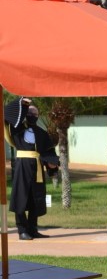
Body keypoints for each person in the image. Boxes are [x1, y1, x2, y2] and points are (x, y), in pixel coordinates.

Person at [3, 97, 59, 240]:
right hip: (22, 166)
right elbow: (7, 113)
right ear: (25, 114)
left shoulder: (42, 133)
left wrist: (52, 165)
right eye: (29, 113)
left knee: (36, 197)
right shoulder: (16, 129)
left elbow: (49, 151)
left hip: (37, 166)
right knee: (21, 196)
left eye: (35, 114)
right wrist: (23, 103)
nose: (32, 116)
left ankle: (33, 229)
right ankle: (22, 230)